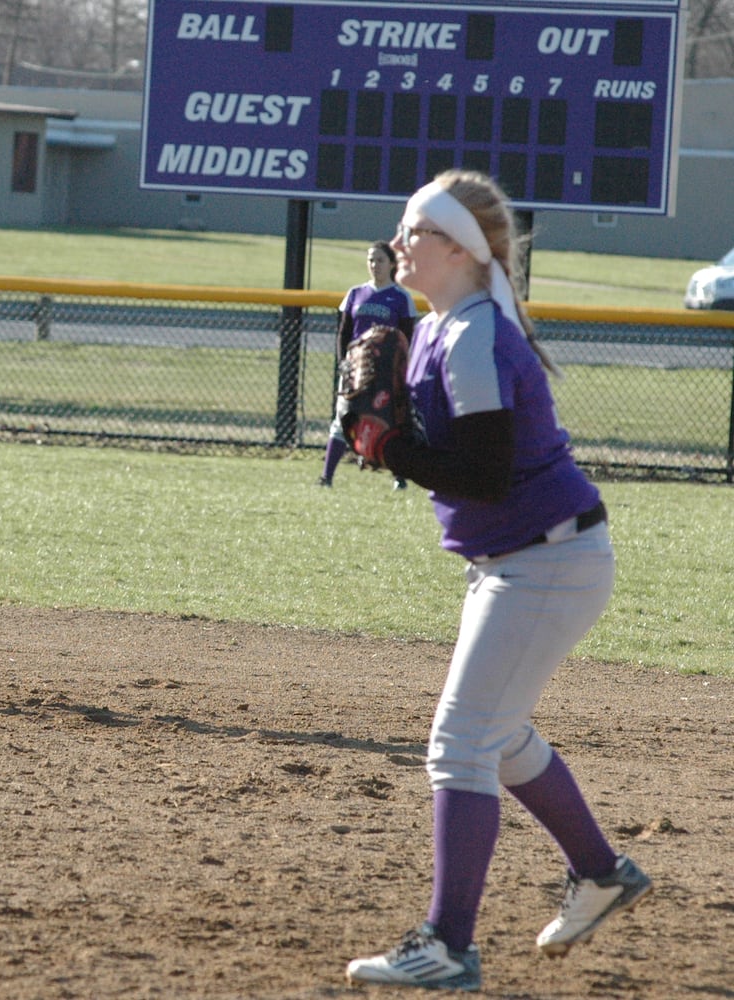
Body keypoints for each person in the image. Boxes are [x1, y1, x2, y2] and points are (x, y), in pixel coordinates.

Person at [342, 171, 651, 991]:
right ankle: (601, 873)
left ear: (458, 249)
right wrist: (392, 438)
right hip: (531, 558)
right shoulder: (451, 325)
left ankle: (447, 946)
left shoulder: (476, 332)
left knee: (460, 743)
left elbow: (480, 473)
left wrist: (387, 447)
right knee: (498, 733)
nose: (401, 243)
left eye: (417, 231)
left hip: (544, 561)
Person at [318, 241, 417, 490]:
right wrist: (344, 362)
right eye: (371, 260)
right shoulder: (355, 294)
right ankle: (326, 477)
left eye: (380, 260)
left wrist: (402, 371)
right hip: (356, 370)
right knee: (344, 418)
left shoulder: (401, 298)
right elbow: (344, 332)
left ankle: (399, 477)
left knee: (390, 421)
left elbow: (407, 340)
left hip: (386, 372)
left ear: (392, 264)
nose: (374, 265)